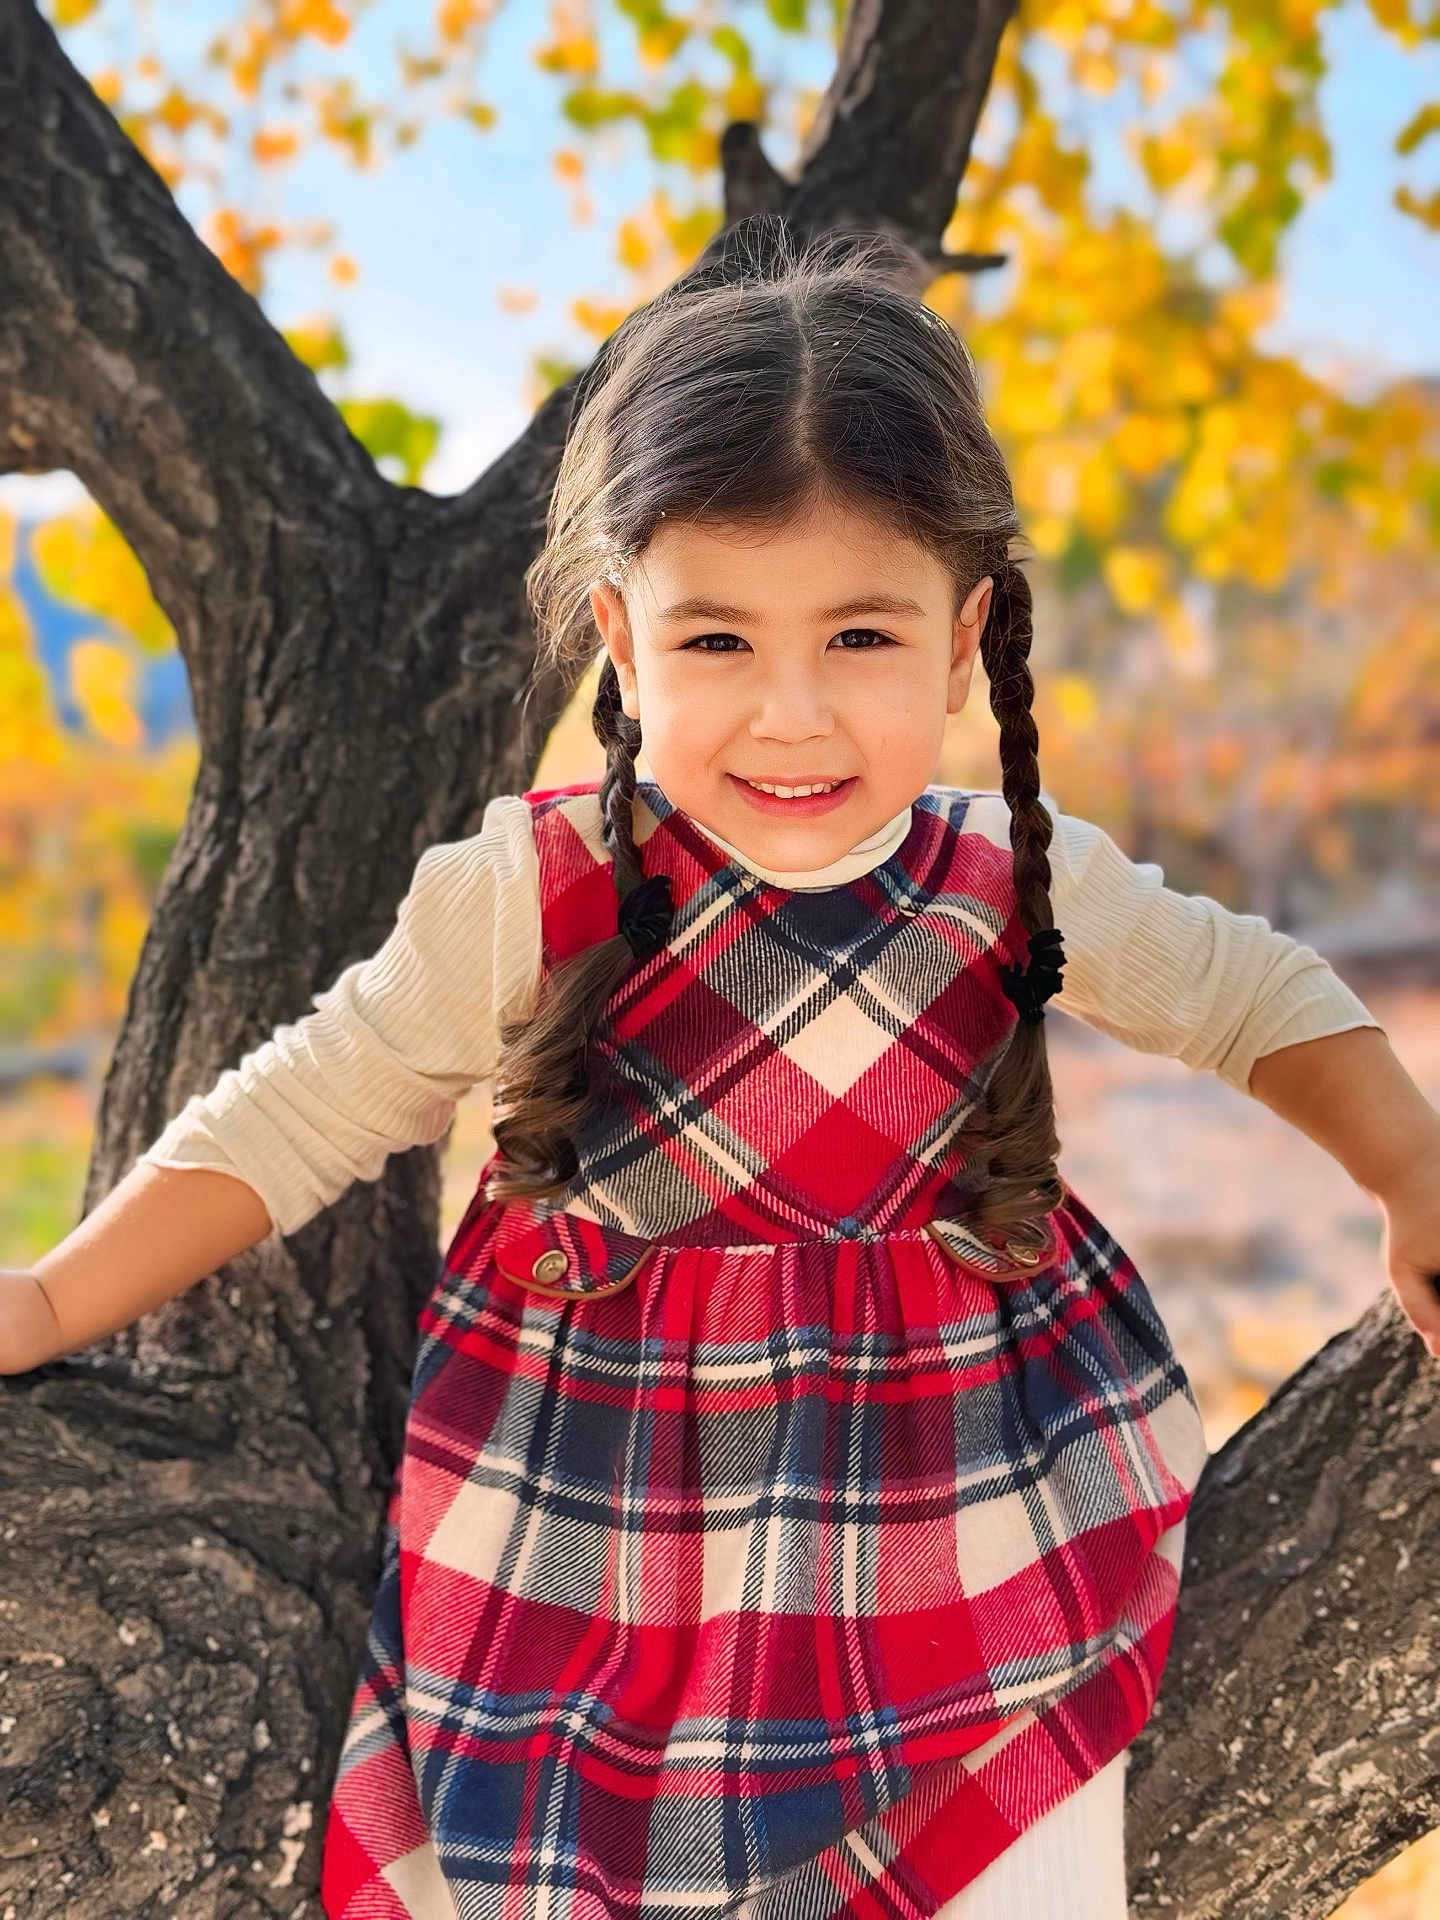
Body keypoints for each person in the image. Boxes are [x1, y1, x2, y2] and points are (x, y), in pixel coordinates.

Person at [9, 219, 1440, 1920]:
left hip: (959, 1496)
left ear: (966, 635)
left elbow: (1254, 997)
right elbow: (311, 1101)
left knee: (1023, 1874)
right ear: (619, 639)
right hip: (598, 1524)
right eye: (717, 643)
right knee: (551, 1876)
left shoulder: (1009, 880)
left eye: (861, 638)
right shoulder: (541, 893)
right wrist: (54, 1296)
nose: (792, 716)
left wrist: (1411, 1169)